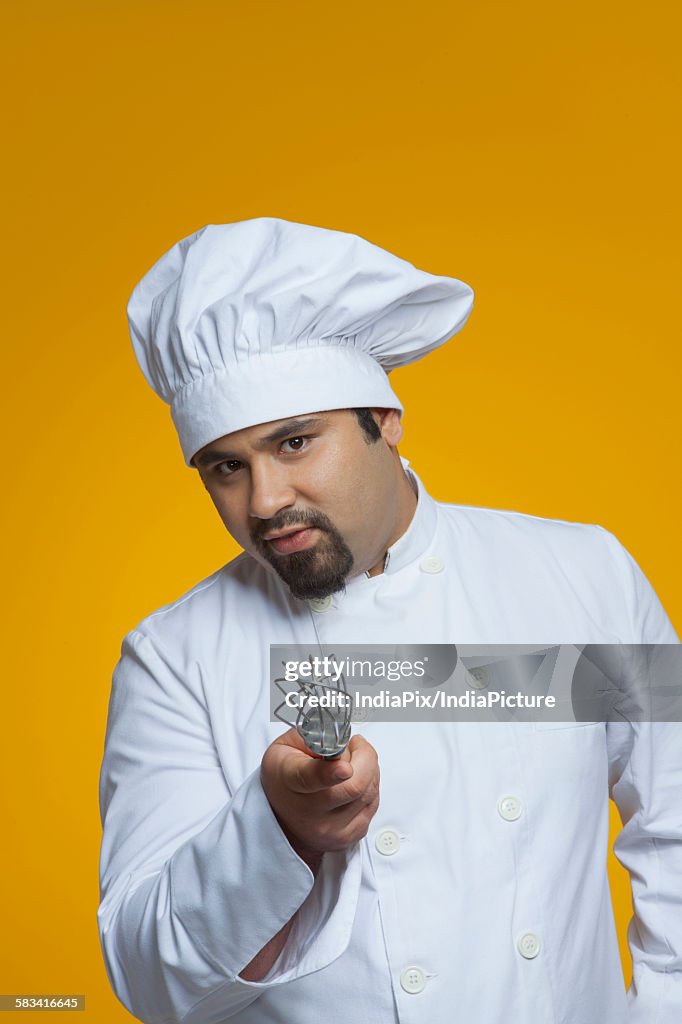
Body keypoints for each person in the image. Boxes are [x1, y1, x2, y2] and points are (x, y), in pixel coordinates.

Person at [98, 218, 681, 1024]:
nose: (264, 501)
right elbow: (146, 977)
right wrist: (277, 832)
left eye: (295, 442)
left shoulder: (580, 577)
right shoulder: (174, 656)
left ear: (386, 417)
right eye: (226, 468)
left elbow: (676, 828)